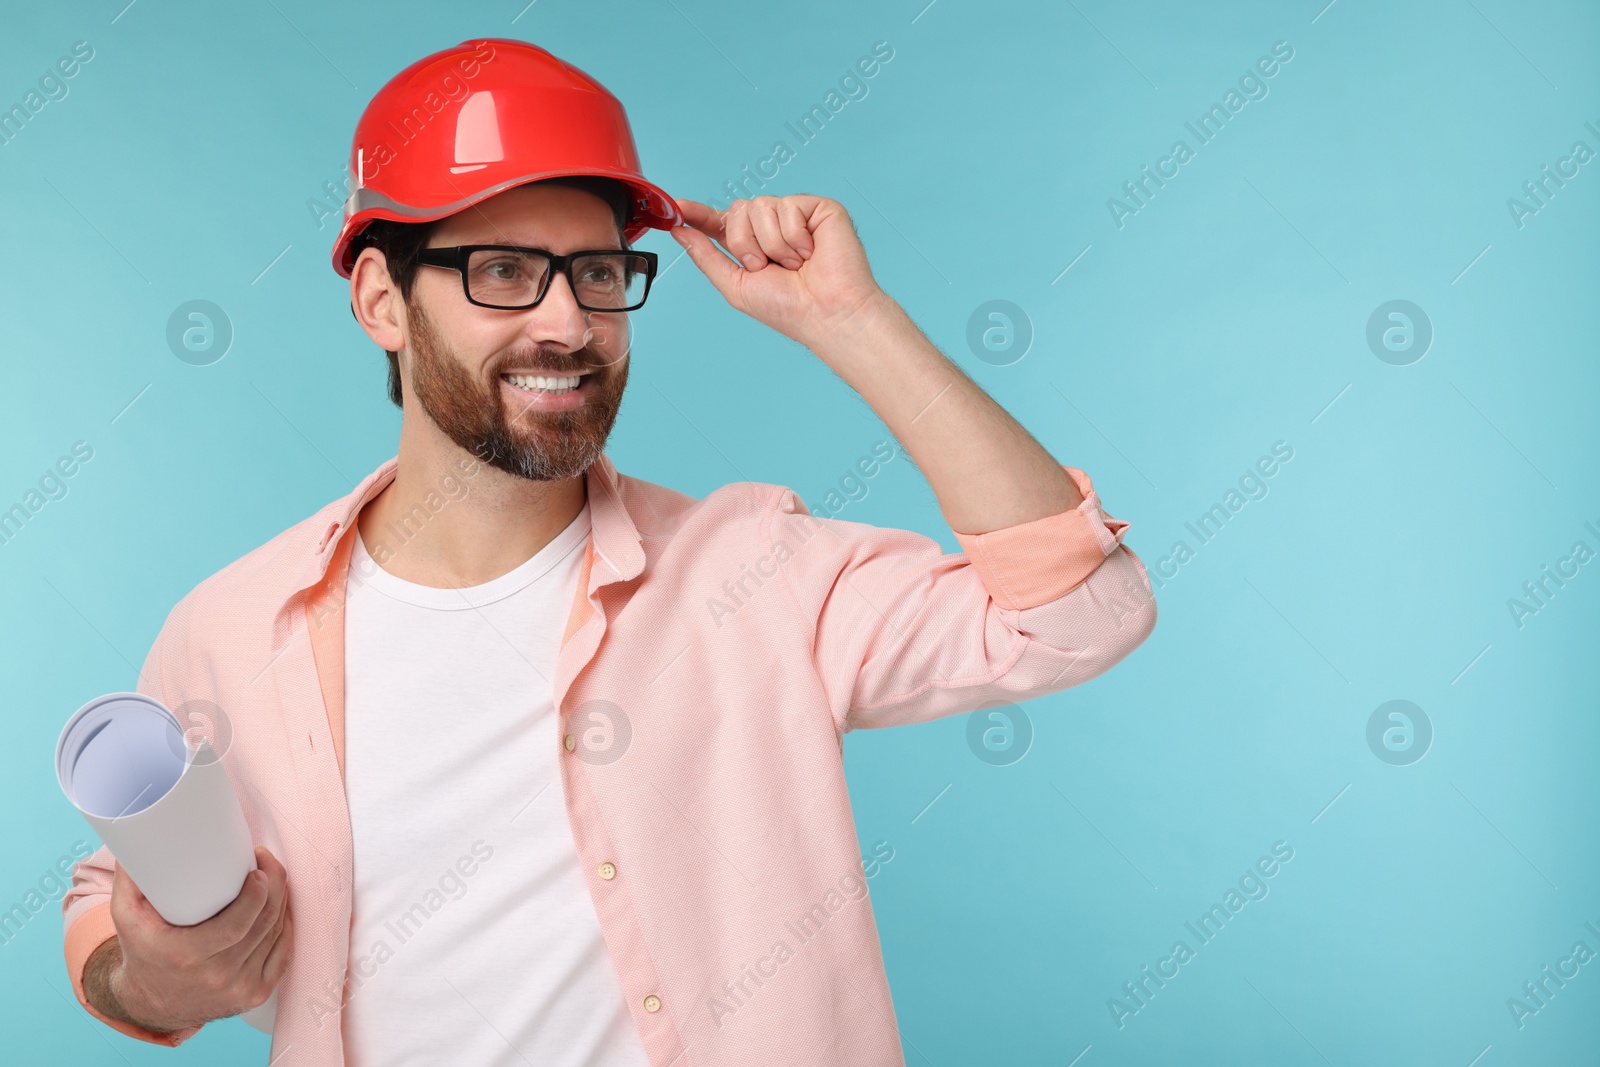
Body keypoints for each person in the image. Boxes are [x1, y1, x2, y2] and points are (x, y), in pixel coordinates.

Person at [61, 37, 1157, 1067]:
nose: (569, 322)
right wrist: (151, 977)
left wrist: (851, 319)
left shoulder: (754, 572)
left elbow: (1078, 612)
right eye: (501, 271)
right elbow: (109, 909)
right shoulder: (234, 627)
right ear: (381, 299)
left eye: (596, 273)